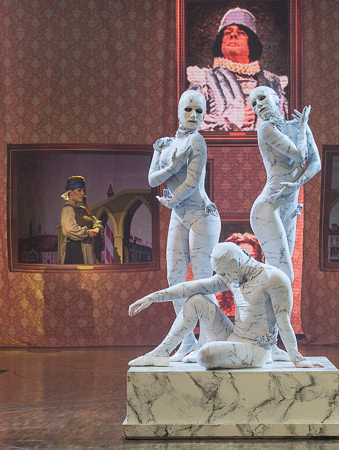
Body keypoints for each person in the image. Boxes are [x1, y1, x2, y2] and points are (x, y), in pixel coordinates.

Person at [128, 242, 322, 369]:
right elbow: (193, 287)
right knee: (196, 300)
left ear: (237, 262)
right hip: (233, 336)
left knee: (205, 354)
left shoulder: (274, 278)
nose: (224, 278)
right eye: (221, 274)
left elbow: (283, 321)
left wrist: (297, 359)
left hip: (257, 349)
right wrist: (153, 297)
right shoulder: (232, 275)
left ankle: (213, 351)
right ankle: (160, 354)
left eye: (226, 273)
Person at [149, 89, 221, 361]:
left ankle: (208, 338)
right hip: (179, 214)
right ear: (178, 111)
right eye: (188, 109)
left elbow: (192, 182)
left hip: (202, 214)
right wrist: (173, 166)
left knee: (202, 279)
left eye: (199, 111)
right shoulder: (164, 144)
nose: (193, 115)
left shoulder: (197, 140)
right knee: (174, 279)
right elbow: (153, 179)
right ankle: (187, 339)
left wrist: (172, 199)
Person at [249, 86, 320, 282]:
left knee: (282, 276)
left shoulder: (297, 126)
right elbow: (299, 154)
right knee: (284, 273)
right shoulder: (265, 129)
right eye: (254, 104)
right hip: (268, 206)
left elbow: (316, 163)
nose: (258, 105)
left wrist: (297, 184)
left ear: (276, 98)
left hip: (289, 206)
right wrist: (302, 128)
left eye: (262, 98)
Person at [187, 7, 288, 131]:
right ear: (221, 42)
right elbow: (188, 122)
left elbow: (286, 129)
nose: (233, 35)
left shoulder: (273, 83)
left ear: (251, 42)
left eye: (241, 33)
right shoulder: (204, 79)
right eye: (227, 32)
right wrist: (227, 121)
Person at [59, 176, 101, 265]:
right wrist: (87, 233)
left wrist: (97, 228)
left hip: (86, 249)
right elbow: (69, 230)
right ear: (71, 193)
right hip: (75, 250)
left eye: (83, 191)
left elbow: (95, 221)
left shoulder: (82, 210)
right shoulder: (68, 209)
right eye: (79, 190)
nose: (83, 193)